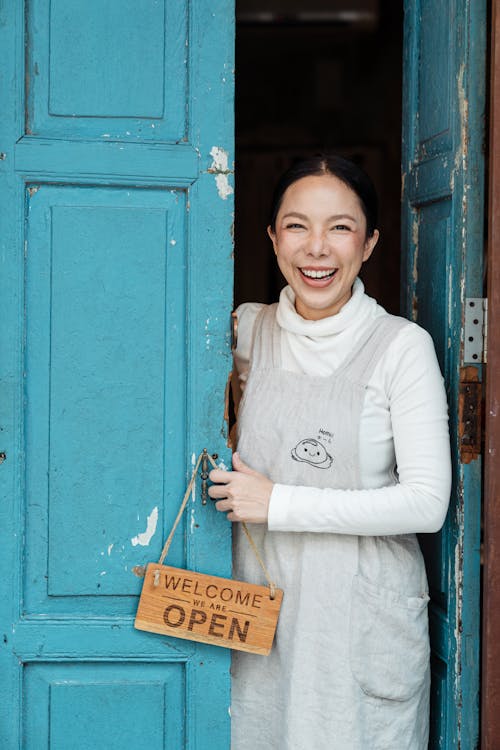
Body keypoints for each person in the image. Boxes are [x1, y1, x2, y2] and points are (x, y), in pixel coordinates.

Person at [208, 154, 451, 750]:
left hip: (356, 617)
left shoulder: (401, 347)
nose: (317, 248)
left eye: (340, 227)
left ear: (369, 243)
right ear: (271, 237)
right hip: (260, 607)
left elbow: (426, 504)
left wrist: (278, 502)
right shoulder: (244, 332)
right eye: (297, 226)